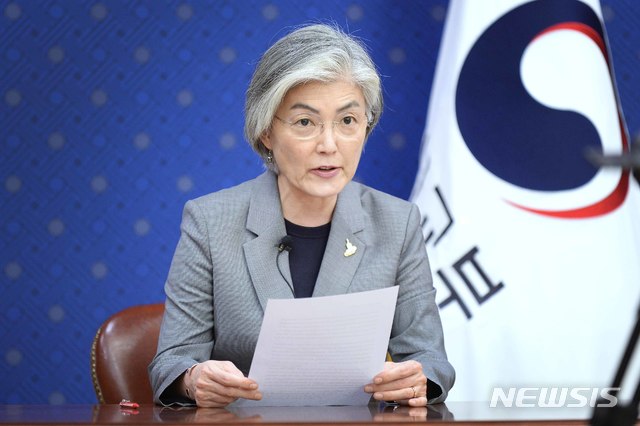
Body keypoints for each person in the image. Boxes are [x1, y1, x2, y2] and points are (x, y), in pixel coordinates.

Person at [148, 23, 454, 408]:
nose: (329, 145)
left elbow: (431, 360)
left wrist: (417, 380)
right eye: (305, 122)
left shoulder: (397, 222)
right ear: (266, 132)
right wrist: (194, 379)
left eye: (347, 121)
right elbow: (171, 362)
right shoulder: (210, 222)